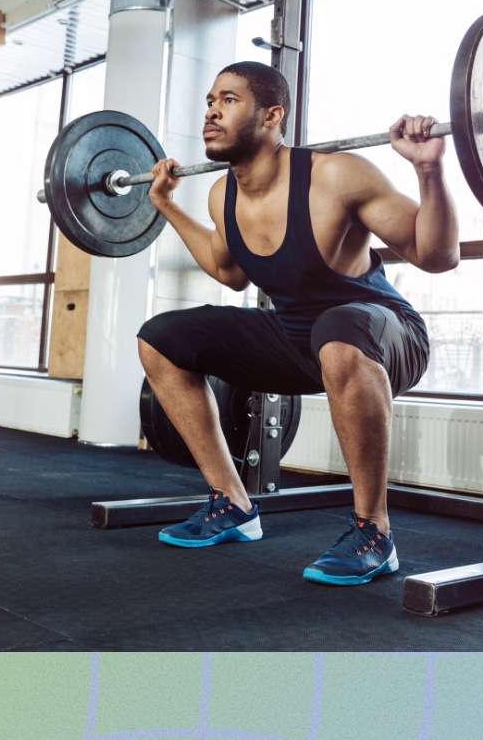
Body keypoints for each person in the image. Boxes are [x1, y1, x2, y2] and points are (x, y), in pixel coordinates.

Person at [136, 61, 459, 585]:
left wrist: (429, 170)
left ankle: (374, 532)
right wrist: (166, 206)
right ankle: (233, 504)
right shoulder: (223, 194)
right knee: (161, 338)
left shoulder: (336, 176)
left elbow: (436, 254)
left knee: (339, 331)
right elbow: (228, 271)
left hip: (385, 336)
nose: (212, 110)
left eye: (229, 99)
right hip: (298, 340)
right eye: (210, 101)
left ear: (272, 115)